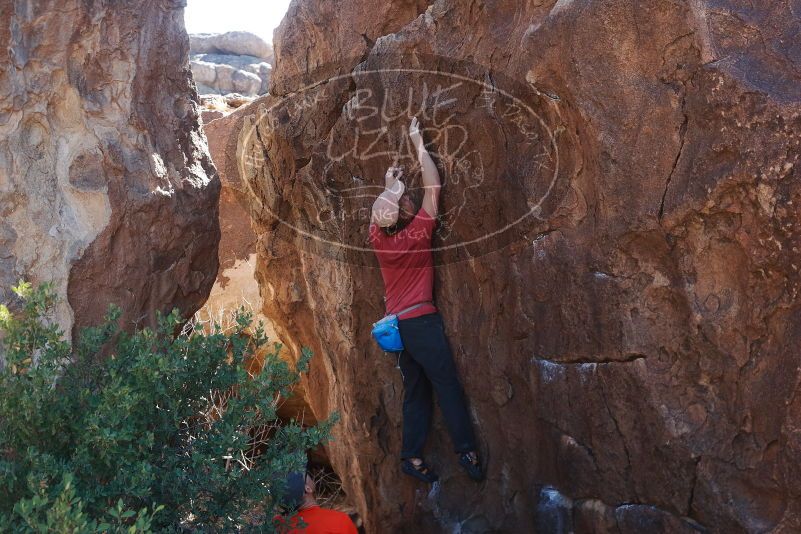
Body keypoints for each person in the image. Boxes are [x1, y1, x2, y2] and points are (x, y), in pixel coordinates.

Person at [368, 117, 484, 483]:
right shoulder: (417, 233)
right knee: (446, 385)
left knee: (416, 392)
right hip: (420, 323)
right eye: (405, 199)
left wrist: (390, 186)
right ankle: (466, 450)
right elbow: (434, 184)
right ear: (404, 212)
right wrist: (419, 144)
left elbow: (381, 213)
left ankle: (411, 456)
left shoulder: (379, 239)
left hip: (396, 331)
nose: (410, 198)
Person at [276, 467, 358, 534]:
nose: (309, 474)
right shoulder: (338, 521)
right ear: (307, 488)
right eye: (306, 475)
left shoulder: (276, 526)